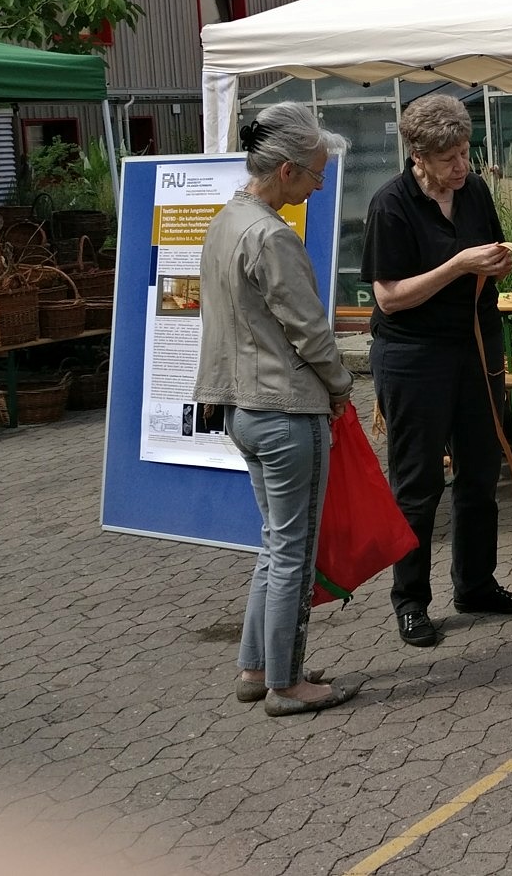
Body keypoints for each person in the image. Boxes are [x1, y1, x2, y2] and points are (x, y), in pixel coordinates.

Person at [195, 102, 358, 716]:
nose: (319, 186)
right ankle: (286, 684)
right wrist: (340, 385)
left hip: (242, 407)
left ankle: (256, 667)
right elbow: (309, 331)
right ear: (286, 170)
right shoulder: (271, 235)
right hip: (286, 409)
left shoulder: (225, 221)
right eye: (316, 174)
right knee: (294, 551)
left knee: (274, 543)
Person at [361, 93, 512, 649]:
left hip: (476, 345)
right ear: (418, 156)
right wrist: (458, 265)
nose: (462, 166)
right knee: (418, 484)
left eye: (465, 152)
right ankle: (411, 600)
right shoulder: (391, 205)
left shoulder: (474, 190)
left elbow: (488, 253)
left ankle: (476, 585)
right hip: (414, 355)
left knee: (481, 471)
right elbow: (389, 298)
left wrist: (497, 263)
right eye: (449, 158)